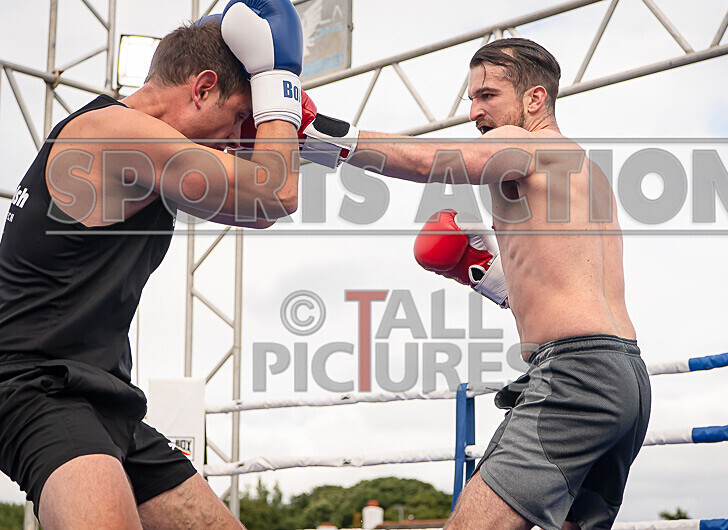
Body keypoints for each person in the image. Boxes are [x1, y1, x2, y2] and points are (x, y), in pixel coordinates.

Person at [301, 38, 652, 530]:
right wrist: (489, 275)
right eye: (472, 98)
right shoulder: (584, 171)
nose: (474, 112)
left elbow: (429, 162)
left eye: (488, 96)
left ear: (535, 99)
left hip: (578, 374)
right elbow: (565, 280)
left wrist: (318, 135)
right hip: (624, 372)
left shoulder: (528, 145)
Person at [0, 0, 303, 527]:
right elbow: (276, 191)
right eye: (237, 118)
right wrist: (281, 93)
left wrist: (290, 131)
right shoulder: (110, 134)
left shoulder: (146, 153)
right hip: (36, 387)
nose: (237, 139)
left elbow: (260, 212)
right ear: (202, 88)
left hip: (103, 396)